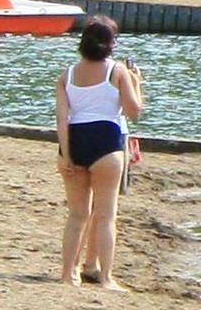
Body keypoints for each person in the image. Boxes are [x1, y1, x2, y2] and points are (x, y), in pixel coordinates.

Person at [55, 16, 144, 289]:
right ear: (111, 44)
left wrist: (66, 155)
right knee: (105, 215)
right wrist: (137, 81)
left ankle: (68, 274)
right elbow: (134, 110)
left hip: (75, 139)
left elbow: (61, 118)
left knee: (76, 215)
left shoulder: (67, 74)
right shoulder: (117, 71)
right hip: (106, 139)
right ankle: (105, 277)